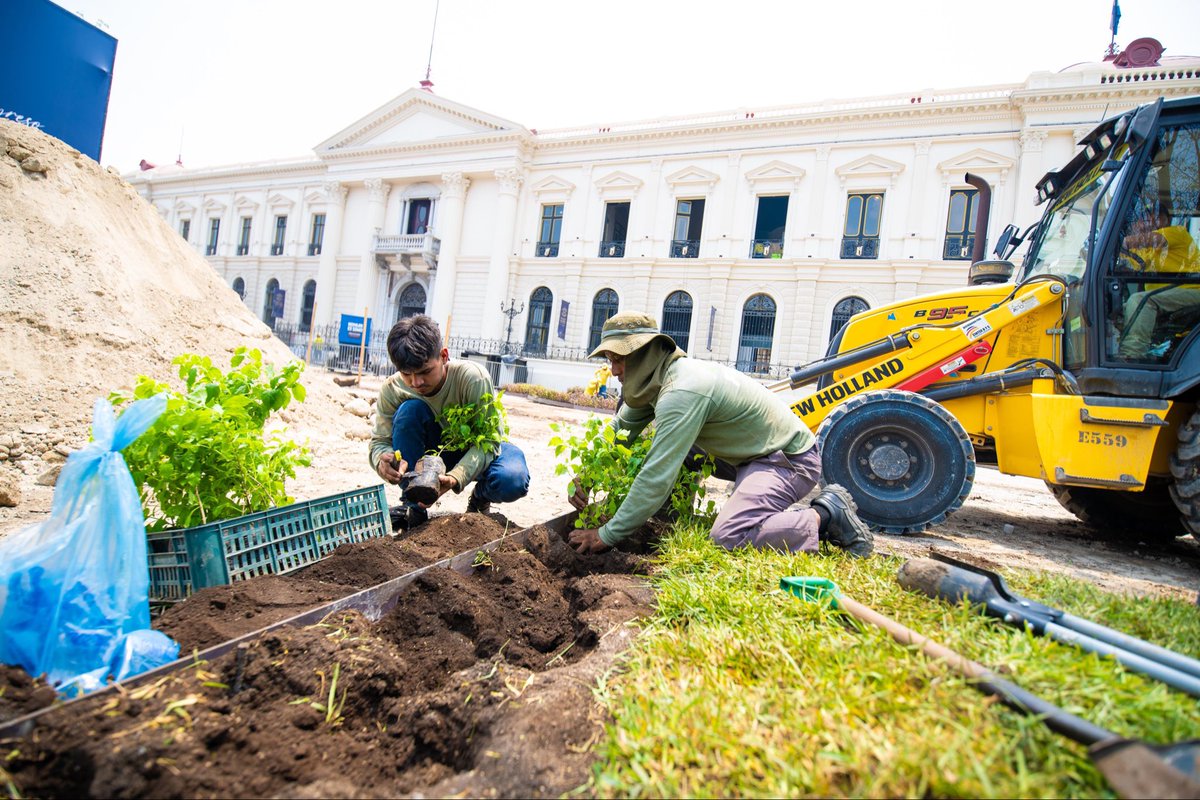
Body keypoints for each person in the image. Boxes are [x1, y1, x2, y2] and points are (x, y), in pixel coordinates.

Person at [567, 312, 873, 558]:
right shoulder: (657, 379)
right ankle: (670, 519)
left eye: (619, 359)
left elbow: (656, 475)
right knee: (677, 449)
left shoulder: (682, 390)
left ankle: (826, 514)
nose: (615, 371)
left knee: (728, 536)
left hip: (785, 461)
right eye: (610, 360)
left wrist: (607, 535)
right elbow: (620, 430)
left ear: (645, 354)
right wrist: (586, 474)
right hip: (749, 455)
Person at [369, 315, 530, 530]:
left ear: (444, 356)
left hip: (474, 451)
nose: (416, 382)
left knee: (512, 479)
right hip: (430, 456)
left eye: (425, 371)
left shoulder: (472, 378)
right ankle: (414, 507)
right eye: (407, 374)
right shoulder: (393, 389)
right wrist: (382, 461)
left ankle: (480, 499)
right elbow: (379, 441)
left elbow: (490, 441)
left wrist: (456, 477)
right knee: (409, 411)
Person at [1117, 209, 1200, 360]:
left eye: (1155, 216)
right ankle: (1112, 352)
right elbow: (1126, 263)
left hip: (1192, 290)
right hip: (1167, 297)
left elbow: (1149, 239)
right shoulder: (1146, 250)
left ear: (1166, 219)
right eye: (1145, 217)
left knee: (1140, 300)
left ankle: (1132, 356)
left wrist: (1115, 241)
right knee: (1118, 309)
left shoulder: (1176, 233)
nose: (1149, 220)